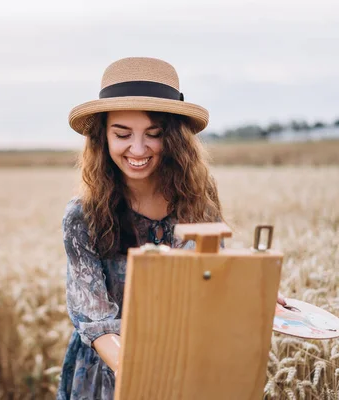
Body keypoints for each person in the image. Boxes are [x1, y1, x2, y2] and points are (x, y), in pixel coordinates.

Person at [56, 57, 287, 400]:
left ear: (175, 138)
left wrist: (251, 293)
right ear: (102, 138)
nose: (137, 149)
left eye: (154, 134)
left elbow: (209, 274)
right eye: (122, 134)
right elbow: (95, 321)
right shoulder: (83, 215)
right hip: (113, 370)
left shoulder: (197, 198)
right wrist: (143, 375)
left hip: (190, 359)